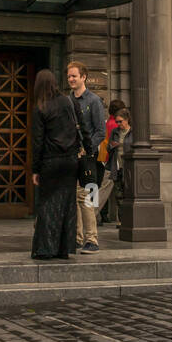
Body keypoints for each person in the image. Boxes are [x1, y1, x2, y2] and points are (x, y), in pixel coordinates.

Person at [30, 68, 80, 260]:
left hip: (50, 161)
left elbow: (38, 141)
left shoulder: (40, 107)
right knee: (67, 205)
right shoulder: (69, 102)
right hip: (70, 160)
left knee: (48, 205)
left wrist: (35, 169)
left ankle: (45, 248)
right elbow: (80, 127)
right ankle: (64, 248)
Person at [66, 61, 108, 253]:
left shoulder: (94, 101)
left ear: (84, 77)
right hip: (71, 156)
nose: (71, 79)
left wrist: (86, 148)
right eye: (69, 76)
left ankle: (92, 240)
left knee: (88, 198)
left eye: (74, 76)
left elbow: (100, 131)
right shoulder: (67, 100)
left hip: (88, 157)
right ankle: (76, 237)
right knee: (74, 198)